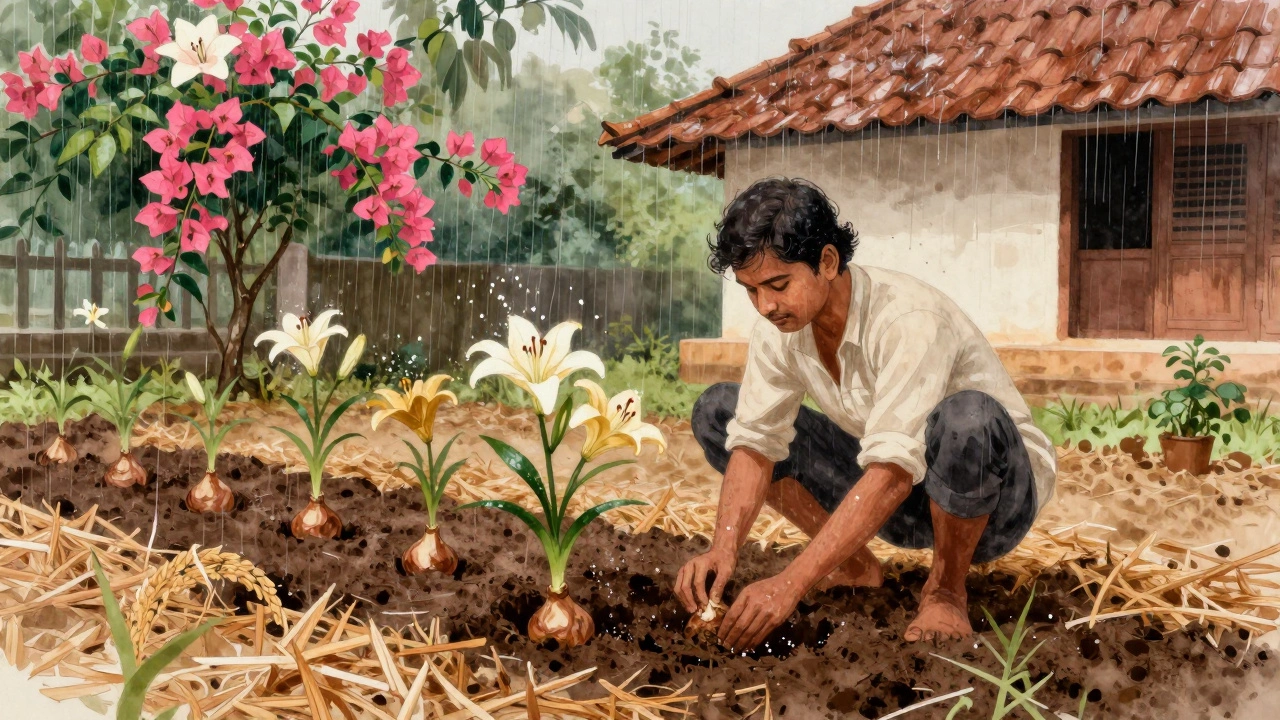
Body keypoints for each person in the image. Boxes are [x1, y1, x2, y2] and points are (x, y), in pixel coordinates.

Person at [675, 177, 1057, 649]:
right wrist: (723, 547)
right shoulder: (779, 331)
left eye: (777, 284)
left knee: (967, 418)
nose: (766, 306)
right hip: (899, 498)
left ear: (828, 261)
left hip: (991, 501)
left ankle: (945, 591)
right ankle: (851, 562)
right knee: (719, 411)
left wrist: (790, 584)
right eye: (751, 291)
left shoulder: (907, 318)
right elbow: (756, 442)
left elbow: (895, 472)